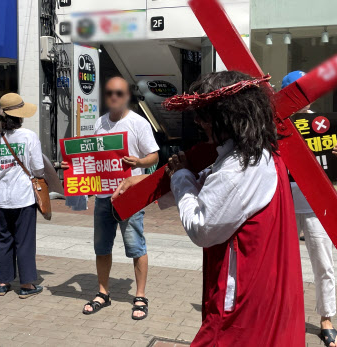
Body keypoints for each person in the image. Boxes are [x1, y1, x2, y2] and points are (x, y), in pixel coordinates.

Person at [114, 71, 304, 345]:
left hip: (242, 294)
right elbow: (208, 184)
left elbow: (202, 227)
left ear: (228, 116)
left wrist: (180, 176)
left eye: (205, 114)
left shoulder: (239, 166)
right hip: (267, 285)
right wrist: (149, 181)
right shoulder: (259, 152)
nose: (199, 122)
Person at [62, 76, 159, 320]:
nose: (114, 97)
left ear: (126, 96)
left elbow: (154, 156)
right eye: (110, 93)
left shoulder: (138, 123)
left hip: (130, 196)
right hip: (103, 195)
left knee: (136, 246)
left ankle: (140, 296)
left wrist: (139, 161)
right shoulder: (99, 124)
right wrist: (72, 165)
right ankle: (103, 293)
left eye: (119, 93)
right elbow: (93, 158)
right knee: (101, 247)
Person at [282, 70, 337, 347]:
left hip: (315, 202)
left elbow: (332, 168)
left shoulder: (325, 123)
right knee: (282, 265)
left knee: (323, 262)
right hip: (282, 201)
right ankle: (283, 315)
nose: (303, 96)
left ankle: (326, 318)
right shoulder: (275, 125)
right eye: (297, 90)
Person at [0, 93, 44, 299]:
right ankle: (26, 284)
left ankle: (3, 282)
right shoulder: (28, 136)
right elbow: (38, 167)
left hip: (2, 197)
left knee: (4, 240)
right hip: (24, 196)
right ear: (20, 116)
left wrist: (2, 179)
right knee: (24, 240)